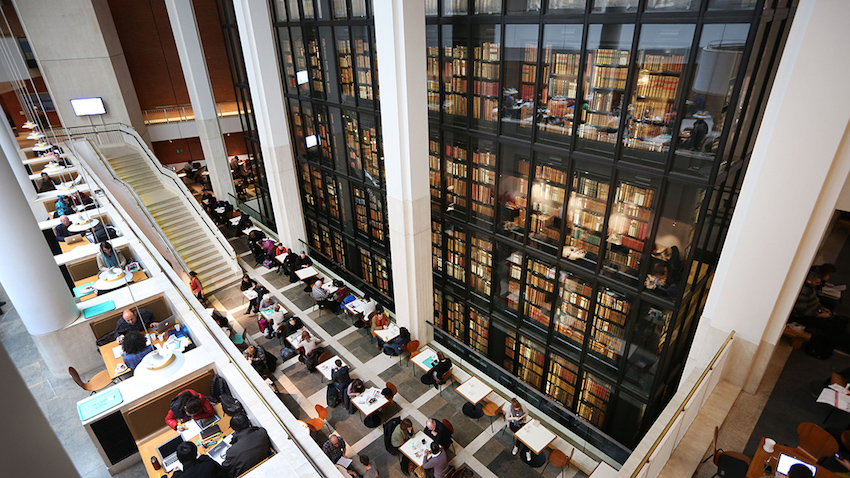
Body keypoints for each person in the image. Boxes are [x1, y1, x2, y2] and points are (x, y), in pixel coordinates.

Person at [222, 413, 272, 477]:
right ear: (249, 422)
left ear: (235, 431)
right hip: (267, 467)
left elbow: (225, 468)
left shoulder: (232, 452)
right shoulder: (262, 433)